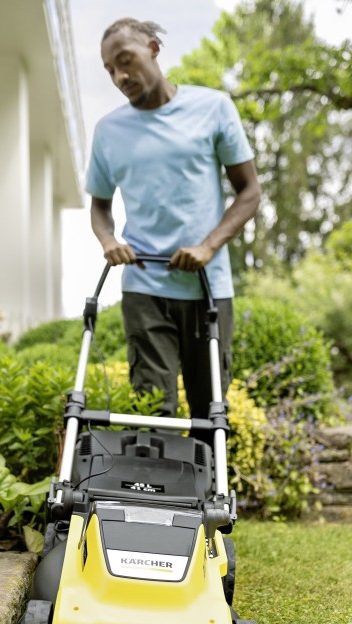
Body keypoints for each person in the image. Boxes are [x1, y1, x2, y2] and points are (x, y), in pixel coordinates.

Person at [86, 18, 261, 436]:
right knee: (152, 414)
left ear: (153, 48)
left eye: (125, 60)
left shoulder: (214, 108)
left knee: (209, 414)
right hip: (144, 287)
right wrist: (108, 240)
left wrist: (208, 246)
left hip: (207, 286)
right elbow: (100, 206)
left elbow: (250, 192)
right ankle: (154, 482)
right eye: (110, 70)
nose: (120, 76)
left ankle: (209, 481)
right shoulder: (109, 131)